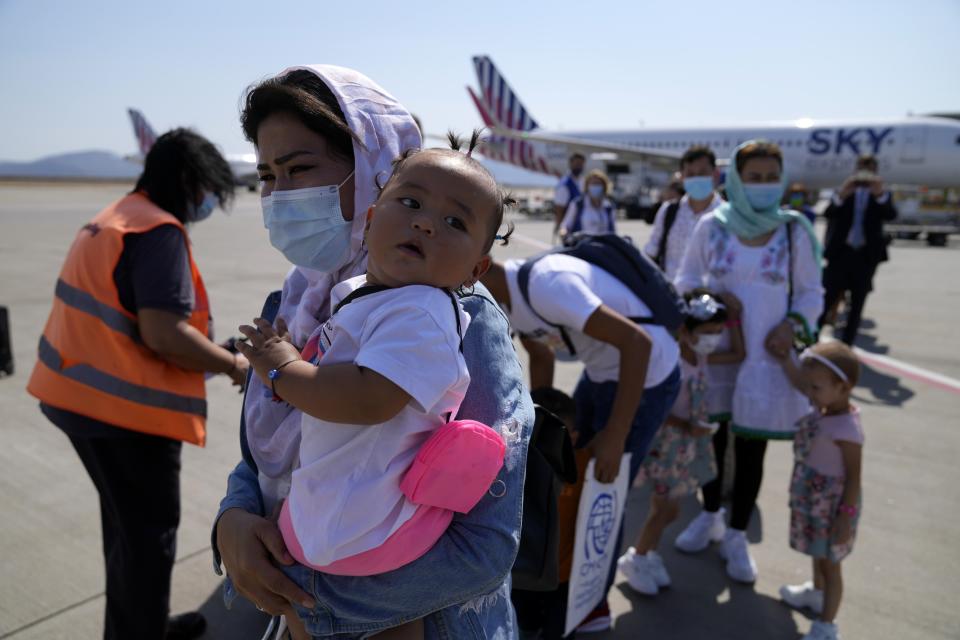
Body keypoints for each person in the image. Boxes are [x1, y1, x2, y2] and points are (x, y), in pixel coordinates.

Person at [212, 65, 533, 640]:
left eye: (301, 169)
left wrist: (314, 602)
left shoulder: (453, 315)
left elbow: (486, 544)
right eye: (267, 175)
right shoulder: (297, 300)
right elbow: (269, 455)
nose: (280, 195)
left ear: (373, 172)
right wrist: (233, 519)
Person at [26, 129, 247, 640]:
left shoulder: (114, 218)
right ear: (190, 181)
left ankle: (138, 624)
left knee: (127, 534)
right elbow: (164, 334)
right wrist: (233, 365)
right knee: (149, 539)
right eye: (209, 188)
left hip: (77, 400)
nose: (208, 201)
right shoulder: (159, 232)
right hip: (125, 417)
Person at [481, 251, 681, 632]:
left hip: (647, 377)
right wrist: (541, 434)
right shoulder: (509, 295)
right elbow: (540, 355)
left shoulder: (550, 286)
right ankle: (555, 579)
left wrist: (616, 432)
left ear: (482, 264)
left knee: (605, 487)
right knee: (568, 474)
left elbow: (638, 344)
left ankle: (590, 603)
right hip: (602, 371)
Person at [673, 140, 823, 584]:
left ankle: (737, 534)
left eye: (770, 178)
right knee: (713, 440)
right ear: (736, 180)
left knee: (752, 449)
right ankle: (710, 514)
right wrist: (711, 299)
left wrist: (793, 325)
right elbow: (685, 278)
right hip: (719, 356)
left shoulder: (794, 230)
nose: (763, 186)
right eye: (753, 178)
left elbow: (812, 291)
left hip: (767, 358)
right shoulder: (712, 225)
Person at [618, 291, 744, 596]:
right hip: (670, 445)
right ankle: (638, 558)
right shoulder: (672, 362)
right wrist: (688, 425)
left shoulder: (699, 356)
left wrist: (735, 320)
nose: (713, 339)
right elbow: (656, 408)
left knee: (672, 509)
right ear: (685, 331)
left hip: (687, 445)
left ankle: (648, 553)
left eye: (717, 332)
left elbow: (738, 354)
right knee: (663, 508)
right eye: (707, 333)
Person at [770, 341, 863, 640]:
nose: (809, 394)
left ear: (843, 387)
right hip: (814, 497)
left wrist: (845, 517)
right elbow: (801, 381)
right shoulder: (825, 404)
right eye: (810, 387)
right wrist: (786, 361)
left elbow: (853, 478)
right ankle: (816, 593)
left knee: (831, 564)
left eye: (816, 388)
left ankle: (826, 626)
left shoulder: (847, 429)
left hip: (833, 505)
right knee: (817, 552)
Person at [819, 154, 897, 345]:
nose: (865, 174)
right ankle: (810, 339)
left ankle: (846, 347)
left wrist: (880, 195)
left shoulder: (881, 194)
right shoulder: (845, 191)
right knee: (826, 300)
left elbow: (891, 215)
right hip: (840, 255)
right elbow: (828, 213)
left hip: (865, 257)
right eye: (862, 168)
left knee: (857, 306)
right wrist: (841, 195)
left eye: (869, 170)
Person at [644, 146, 724, 279]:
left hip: (712, 296)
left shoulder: (727, 215)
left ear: (715, 174)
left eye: (702, 173)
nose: (697, 178)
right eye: (691, 174)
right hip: (672, 295)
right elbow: (651, 251)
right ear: (681, 177)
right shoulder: (669, 211)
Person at [558, 169, 616, 241]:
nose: (596, 186)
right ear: (587, 186)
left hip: (603, 247)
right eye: (593, 184)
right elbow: (565, 226)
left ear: (604, 186)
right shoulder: (578, 204)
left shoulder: (608, 207)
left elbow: (612, 231)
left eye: (598, 184)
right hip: (582, 246)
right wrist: (564, 234)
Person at [553, 152, 586, 238]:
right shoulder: (565, 184)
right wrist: (559, 226)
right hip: (569, 227)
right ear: (571, 164)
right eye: (577, 164)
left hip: (582, 226)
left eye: (581, 164)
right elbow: (559, 208)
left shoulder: (583, 181)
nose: (579, 166)